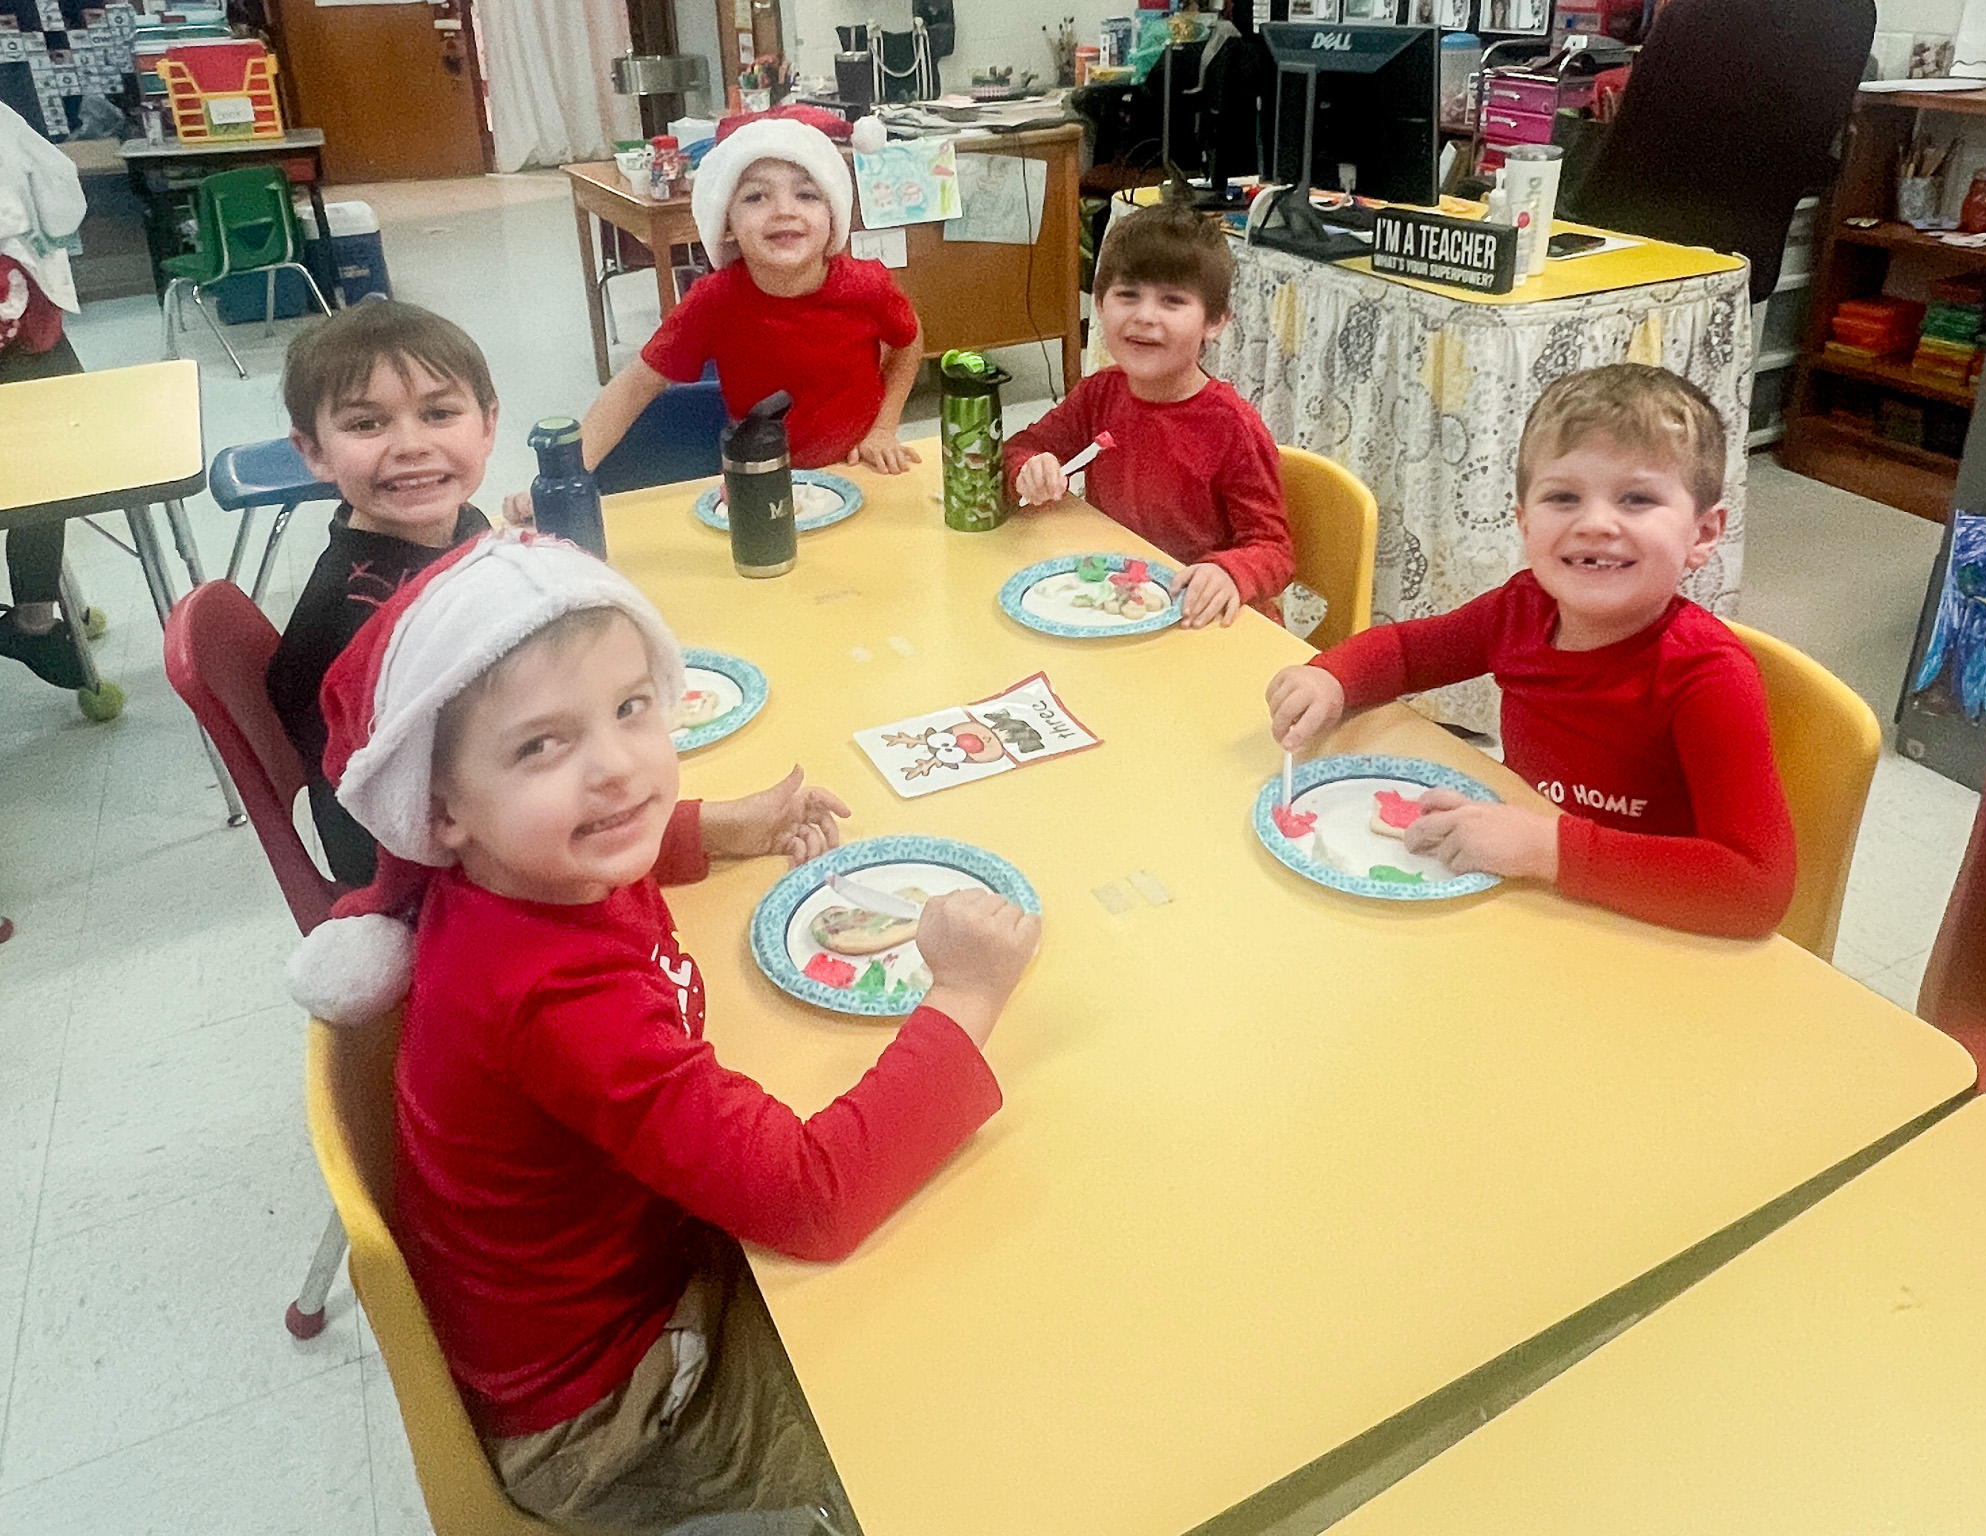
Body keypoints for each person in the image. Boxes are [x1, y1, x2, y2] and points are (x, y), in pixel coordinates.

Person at [284, 530, 1040, 1533]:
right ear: (439, 808)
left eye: (631, 708)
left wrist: (722, 825)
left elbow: (604, 850)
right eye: (539, 744)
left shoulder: (520, 875)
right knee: (945, 1419)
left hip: (590, 1294)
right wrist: (968, 995)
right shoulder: (555, 998)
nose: (616, 769)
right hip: (602, 1415)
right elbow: (811, 1195)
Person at [1266, 363, 1796, 940]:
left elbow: (1756, 888)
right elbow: (1409, 651)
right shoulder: (1521, 607)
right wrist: (1332, 678)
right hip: (1525, 898)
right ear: (1523, 522)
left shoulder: (1710, 678)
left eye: (1637, 499)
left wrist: (1545, 848)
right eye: (1563, 497)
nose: (1596, 523)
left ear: (1704, 534)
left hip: (1640, 932)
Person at [505, 116, 923, 526]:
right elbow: (634, 386)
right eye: (756, 197)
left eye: (807, 196)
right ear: (726, 224)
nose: (783, 211)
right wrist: (564, 476)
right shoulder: (714, 300)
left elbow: (908, 340)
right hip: (759, 481)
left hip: (858, 472)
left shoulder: (867, 285)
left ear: (834, 215)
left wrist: (883, 429)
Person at [264, 300, 499, 891]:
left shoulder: (463, 523)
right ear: (314, 451)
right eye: (367, 424)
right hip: (423, 872)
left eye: (439, 412)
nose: (411, 445)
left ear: (488, 425)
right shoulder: (359, 615)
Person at [1003, 202, 1292, 629]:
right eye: (1128, 294)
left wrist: (1231, 571)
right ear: (1099, 304)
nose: (1144, 316)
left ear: (1215, 322)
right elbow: (1022, 448)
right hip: (1118, 602)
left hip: (1205, 623)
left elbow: (1273, 548)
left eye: (1173, 301)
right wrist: (1027, 469)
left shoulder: (1233, 426)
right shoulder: (1100, 393)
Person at [0, 99, 92, 689]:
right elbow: (60, 192)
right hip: (25, 337)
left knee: (57, 466)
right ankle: (34, 622)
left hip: (27, 331)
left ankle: (37, 614)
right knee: (50, 472)